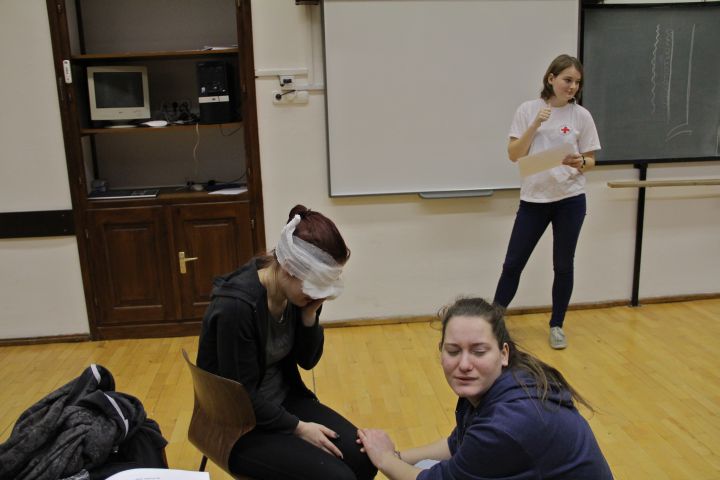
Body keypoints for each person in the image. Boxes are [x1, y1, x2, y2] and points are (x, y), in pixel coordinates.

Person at [196, 204, 377, 480]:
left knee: (364, 460)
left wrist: (308, 317)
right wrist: (299, 428)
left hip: (282, 401)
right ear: (290, 268)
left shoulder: (296, 296)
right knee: (338, 478)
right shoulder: (236, 307)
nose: (319, 295)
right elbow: (241, 399)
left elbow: (307, 360)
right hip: (238, 424)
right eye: (315, 286)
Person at [357, 297, 613, 480]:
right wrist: (397, 456)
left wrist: (385, 460)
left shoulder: (509, 422)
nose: (464, 365)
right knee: (424, 463)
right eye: (453, 351)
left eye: (478, 351)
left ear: (504, 353)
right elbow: (457, 444)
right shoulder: (499, 382)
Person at [493, 54, 601, 349]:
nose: (572, 87)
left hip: (570, 200)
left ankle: (557, 325)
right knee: (513, 263)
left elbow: (591, 160)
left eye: (577, 82)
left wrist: (581, 162)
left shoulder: (581, 116)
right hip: (534, 200)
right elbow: (514, 154)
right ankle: (493, 322)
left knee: (563, 265)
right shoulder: (528, 110)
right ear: (551, 78)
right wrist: (535, 125)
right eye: (567, 80)